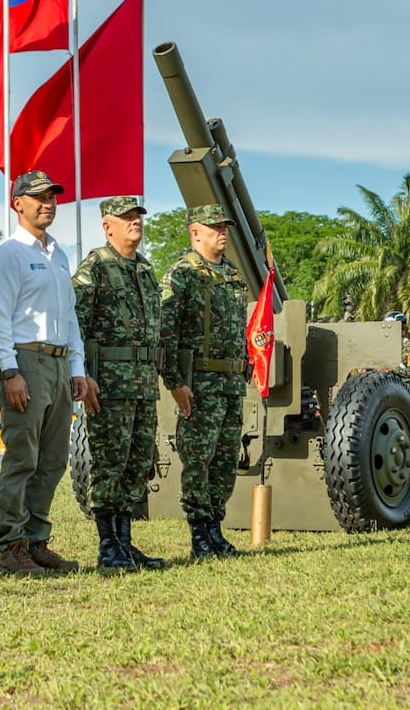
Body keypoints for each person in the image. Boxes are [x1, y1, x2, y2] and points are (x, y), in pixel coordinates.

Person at [0, 170, 88, 577]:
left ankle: (35, 541)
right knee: (23, 458)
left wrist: (76, 367)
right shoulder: (9, 252)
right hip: (25, 360)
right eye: (39, 197)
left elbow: (70, 316)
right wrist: (9, 370)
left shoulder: (58, 253)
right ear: (18, 203)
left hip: (59, 362)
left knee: (54, 459)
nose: (48, 203)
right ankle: (12, 548)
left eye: (52, 197)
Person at [72, 196, 165, 572]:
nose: (135, 222)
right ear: (107, 226)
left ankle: (125, 543)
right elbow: (75, 322)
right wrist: (84, 374)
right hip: (108, 386)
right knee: (109, 464)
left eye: (137, 216)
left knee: (136, 464)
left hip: (143, 385)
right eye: (126, 218)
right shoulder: (95, 266)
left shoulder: (145, 268)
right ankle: (108, 546)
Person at [158, 203, 250, 559]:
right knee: (198, 460)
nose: (222, 233)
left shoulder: (232, 274)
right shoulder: (182, 274)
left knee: (225, 461)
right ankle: (199, 535)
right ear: (195, 232)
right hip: (199, 385)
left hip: (230, 384)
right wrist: (174, 382)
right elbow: (165, 333)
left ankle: (215, 530)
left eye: (224, 227)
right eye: (214, 227)